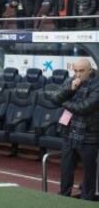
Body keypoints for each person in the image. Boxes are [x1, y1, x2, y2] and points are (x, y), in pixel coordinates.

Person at [50, 58, 99, 201]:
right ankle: (64, 196)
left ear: (90, 70)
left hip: (89, 134)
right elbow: (54, 98)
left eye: (81, 71)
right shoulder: (72, 80)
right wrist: (70, 89)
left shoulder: (97, 84)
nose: (78, 74)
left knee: (89, 172)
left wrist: (63, 102)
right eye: (75, 70)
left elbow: (84, 108)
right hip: (69, 132)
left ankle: (86, 200)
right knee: (66, 168)